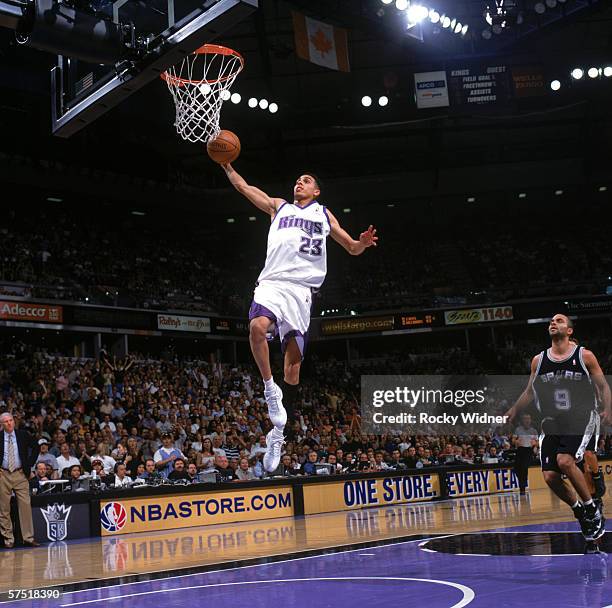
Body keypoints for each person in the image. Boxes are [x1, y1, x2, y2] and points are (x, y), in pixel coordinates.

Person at [222, 164, 378, 472]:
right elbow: (244, 187)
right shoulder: (278, 206)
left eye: (306, 181)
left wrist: (361, 242)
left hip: (302, 291)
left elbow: (351, 247)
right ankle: (269, 390)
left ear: (316, 191)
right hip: (273, 282)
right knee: (257, 327)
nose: (299, 182)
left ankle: (278, 433)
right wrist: (227, 165)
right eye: (298, 179)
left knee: (292, 366)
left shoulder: (324, 214)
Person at [507, 314, 612, 544]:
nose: (553, 323)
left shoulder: (584, 356)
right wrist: (514, 410)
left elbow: (604, 386)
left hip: (581, 416)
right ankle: (580, 512)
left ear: (570, 331)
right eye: (551, 322)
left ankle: (591, 507)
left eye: (560, 320)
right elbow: (529, 391)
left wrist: (608, 410)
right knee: (550, 476)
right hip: (552, 420)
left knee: (566, 460)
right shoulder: (539, 360)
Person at [0, 412, 40, 547]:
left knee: (25, 505)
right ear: (2, 424)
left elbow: (36, 447)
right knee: (4, 508)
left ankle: (28, 537)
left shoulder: (22, 434)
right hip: (3, 474)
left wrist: (28, 464)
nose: (9, 423)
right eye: (6, 421)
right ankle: (8, 539)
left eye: (11, 420)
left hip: (20, 473)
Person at [513, 413, 538, 495]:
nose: (527, 420)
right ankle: (522, 484)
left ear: (530, 420)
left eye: (528, 418)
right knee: (516, 468)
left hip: (528, 451)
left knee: (524, 468)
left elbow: (537, 442)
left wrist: (535, 445)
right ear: (522, 420)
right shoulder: (518, 429)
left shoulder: (534, 431)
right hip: (520, 450)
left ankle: (522, 488)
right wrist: (516, 441)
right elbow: (513, 440)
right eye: (525, 419)